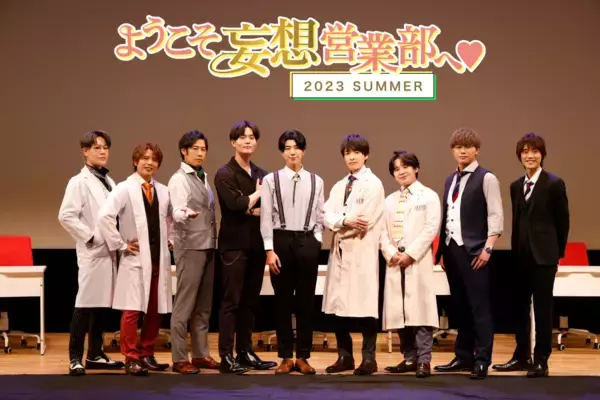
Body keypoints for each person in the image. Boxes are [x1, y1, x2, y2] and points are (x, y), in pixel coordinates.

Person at [492, 133, 569, 378]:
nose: (530, 156)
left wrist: (556, 254)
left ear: (542, 155)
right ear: (520, 156)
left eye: (534, 151)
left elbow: (563, 222)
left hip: (544, 258)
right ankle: (521, 356)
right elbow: (518, 222)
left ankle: (541, 360)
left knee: (543, 310)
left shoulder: (554, 184)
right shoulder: (516, 186)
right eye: (525, 152)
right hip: (520, 257)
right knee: (519, 308)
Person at [97, 143, 173, 376]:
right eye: (145, 158)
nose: (149, 163)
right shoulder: (124, 188)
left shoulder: (163, 190)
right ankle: (131, 357)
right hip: (135, 259)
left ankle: (147, 353)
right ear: (135, 161)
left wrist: (170, 239)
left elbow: (169, 219)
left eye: (154, 159)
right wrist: (121, 244)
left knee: (155, 309)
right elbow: (104, 216)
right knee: (132, 311)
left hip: (158, 257)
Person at [433, 128, 503, 379]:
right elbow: (447, 216)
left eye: (467, 146)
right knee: (460, 306)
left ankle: (482, 359)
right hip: (452, 251)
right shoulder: (450, 180)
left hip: (475, 251)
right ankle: (463, 357)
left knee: (479, 307)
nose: (462, 151)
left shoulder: (487, 178)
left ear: (477, 150)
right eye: (458, 147)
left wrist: (488, 248)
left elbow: (495, 215)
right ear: (452, 150)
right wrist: (442, 251)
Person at [58, 130, 124, 376]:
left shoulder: (110, 181)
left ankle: (95, 354)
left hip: (109, 252)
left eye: (105, 147)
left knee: (101, 305)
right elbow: (66, 215)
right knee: (85, 304)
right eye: (97, 147)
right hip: (93, 252)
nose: (103, 151)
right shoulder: (78, 182)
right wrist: (91, 236)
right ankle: (75, 358)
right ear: (85, 151)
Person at [214, 120, 277, 374]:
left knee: (250, 301)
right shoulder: (225, 173)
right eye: (242, 137)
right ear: (233, 142)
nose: (247, 141)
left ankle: (245, 351)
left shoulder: (262, 174)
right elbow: (236, 205)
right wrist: (255, 199)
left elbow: (268, 210)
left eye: (252, 137)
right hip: (233, 246)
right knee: (231, 300)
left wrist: (250, 206)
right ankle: (226, 355)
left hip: (257, 245)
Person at [260, 130, 325, 375]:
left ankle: (303, 357)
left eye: (296, 147)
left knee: (306, 302)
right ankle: (286, 357)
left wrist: (316, 241)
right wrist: (269, 249)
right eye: (287, 148)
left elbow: (320, 214)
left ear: (303, 151)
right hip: (282, 241)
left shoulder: (316, 180)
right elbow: (266, 216)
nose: (292, 152)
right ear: (282, 152)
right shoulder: (271, 180)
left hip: (307, 241)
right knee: (283, 302)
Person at [322, 134, 385, 376]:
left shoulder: (373, 184)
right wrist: (343, 221)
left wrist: (339, 224)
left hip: (361, 251)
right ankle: (344, 356)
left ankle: (369, 358)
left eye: (357, 152)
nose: (352, 157)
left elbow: (364, 221)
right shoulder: (340, 185)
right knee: (338, 306)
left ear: (366, 155)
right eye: (348, 153)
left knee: (366, 306)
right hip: (339, 253)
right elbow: (325, 214)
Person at [380, 151, 441, 378]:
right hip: (395, 262)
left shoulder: (429, 196)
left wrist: (411, 254)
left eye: (405, 166)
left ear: (416, 168)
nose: (401, 171)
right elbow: (381, 232)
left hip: (418, 261)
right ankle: (409, 358)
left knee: (420, 311)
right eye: (396, 169)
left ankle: (424, 360)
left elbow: (430, 229)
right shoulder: (389, 201)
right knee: (400, 311)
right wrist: (390, 253)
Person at [168, 131, 220, 374]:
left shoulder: (202, 176)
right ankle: (180, 358)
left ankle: (200, 354)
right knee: (185, 303)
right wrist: (184, 214)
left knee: (204, 305)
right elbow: (177, 211)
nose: (200, 153)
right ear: (184, 151)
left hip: (208, 244)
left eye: (203, 149)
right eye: (195, 149)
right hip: (189, 246)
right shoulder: (179, 179)